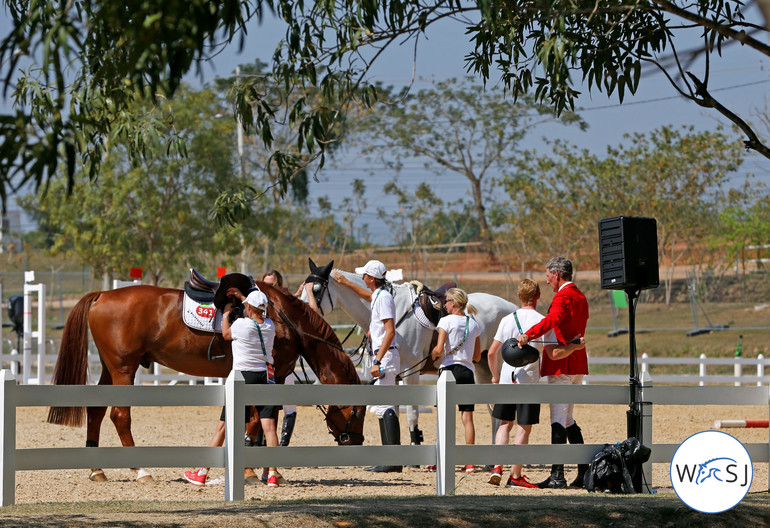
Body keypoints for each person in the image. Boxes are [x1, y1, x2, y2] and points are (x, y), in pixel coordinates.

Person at [184, 289, 282, 488]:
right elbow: (259, 314)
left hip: (242, 377)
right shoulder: (270, 326)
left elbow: (226, 334)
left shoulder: (241, 324)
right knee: (269, 428)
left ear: (248, 308)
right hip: (266, 375)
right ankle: (272, 474)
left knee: (224, 425)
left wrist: (227, 314)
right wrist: (246, 299)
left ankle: (202, 472)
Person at [517, 256, 589, 489]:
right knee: (568, 420)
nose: (547, 282)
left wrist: (528, 334)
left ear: (557, 274)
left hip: (562, 366)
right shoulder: (580, 296)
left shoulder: (563, 297)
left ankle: (557, 475)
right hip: (576, 363)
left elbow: (551, 320)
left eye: (548, 276)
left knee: (558, 420)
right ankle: (583, 472)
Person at [332, 259, 402, 473]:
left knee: (385, 406)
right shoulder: (380, 296)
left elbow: (390, 331)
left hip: (385, 356)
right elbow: (369, 297)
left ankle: (393, 460)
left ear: (371, 278)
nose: (362, 278)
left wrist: (378, 360)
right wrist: (346, 284)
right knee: (383, 406)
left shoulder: (384, 298)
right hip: (385, 354)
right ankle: (390, 459)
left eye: (364, 276)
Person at [486, 279, 555, 488]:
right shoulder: (543, 320)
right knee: (523, 427)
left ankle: (497, 466)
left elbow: (491, 353)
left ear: (519, 296)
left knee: (504, 424)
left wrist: (495, 376)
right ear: (538, 296)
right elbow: (548, 352)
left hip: (507, 376)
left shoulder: (508, 319)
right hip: (529, 379)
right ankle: (515, 476)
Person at [431, 288, 481, 474]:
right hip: (467, 372)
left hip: (448, 371)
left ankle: (442, 459)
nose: (444, 304)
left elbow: (438, 349)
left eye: (446, 301)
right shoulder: (473, 323)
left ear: (453, 303)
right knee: (467, 418)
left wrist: (434, 355)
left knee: (444, 417)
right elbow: (476, 356)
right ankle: (469, 463)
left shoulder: (445, 321)